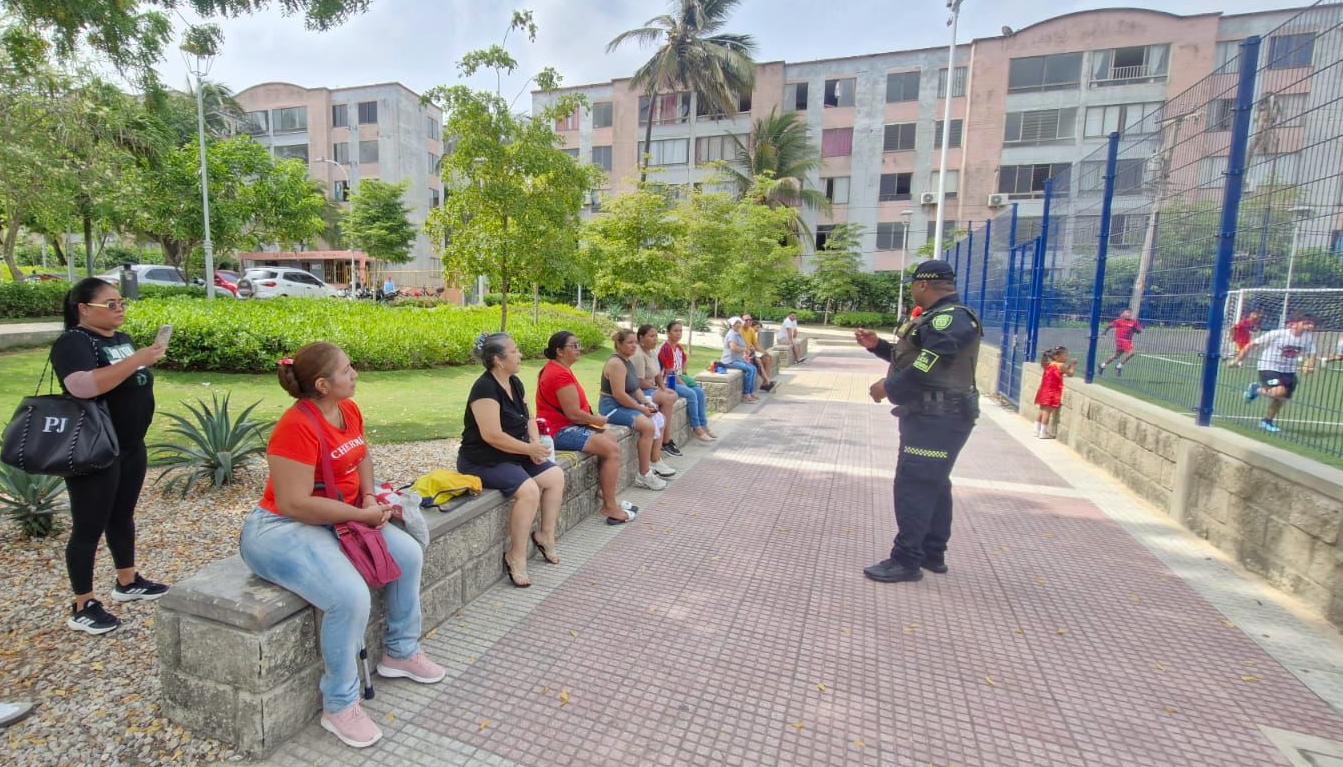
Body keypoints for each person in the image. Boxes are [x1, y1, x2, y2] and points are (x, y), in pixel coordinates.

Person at [240, 342, 445, 749]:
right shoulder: (295, 428)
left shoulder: (348, 409)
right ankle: (339, 704)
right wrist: (360, 516)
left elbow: (361, 456)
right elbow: (294, 503)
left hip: (342, 513)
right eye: (347, 369)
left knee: (407, 554)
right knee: (348, 596)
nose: (355, 374)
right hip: (282, 527)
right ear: (322, 384)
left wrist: (368, 498)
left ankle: (400, 652)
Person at [51, 278, 169, 635]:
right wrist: (137, 360)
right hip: (94, 447)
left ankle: (127, 580)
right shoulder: (74, 342)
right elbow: (82, 386)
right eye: (111, 304)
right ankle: (82, 603)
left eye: (121, 303)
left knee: (122, 515)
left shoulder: (120, 339)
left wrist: (141, 360)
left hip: (130, 444)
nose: (120, 309)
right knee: (88, 526)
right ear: (84, 309)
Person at [855, 260, 982, 584]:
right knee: (934, 483)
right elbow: (915, 357)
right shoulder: (940, 318)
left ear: (923, 284)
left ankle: (906, 560)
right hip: (935, 416)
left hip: (938, 419)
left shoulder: (949, 320)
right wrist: (878, 347)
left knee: (914, 485)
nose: (912, 290)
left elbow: (928, 366)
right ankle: (931, 552)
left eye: (912, 285)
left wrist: (887, 388)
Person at [457, 333, 564, 588]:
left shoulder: (514, 382)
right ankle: (516, 556)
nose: (520, 355)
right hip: (483, 459)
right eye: (514, 351)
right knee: (529, 491)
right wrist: (528, 449)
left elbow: (529, 418)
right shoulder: (485, 388)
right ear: (498, 360)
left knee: (555, 476)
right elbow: (491, 435)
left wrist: (535, 444)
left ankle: (545, 535)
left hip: (515, 453)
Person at [536, 332, 639, 523]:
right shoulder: (559, 375)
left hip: (567, 426)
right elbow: (573, 414)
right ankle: (609, 506)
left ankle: (606, 494)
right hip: (559, 431)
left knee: (610, 438)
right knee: (611, 449)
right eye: (574, 346)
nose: (579, 349)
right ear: (559, 351)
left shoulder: (559, 369)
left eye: (579, 344)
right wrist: (596, 419)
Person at [602, 329, 677, 489]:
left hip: (624, 404)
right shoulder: (616, 363)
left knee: (659, 418)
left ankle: (655, 461)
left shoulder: (627, 361)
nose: (634, 346)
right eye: (630, 342)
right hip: (612, 408)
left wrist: (646, 403)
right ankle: (644, 474)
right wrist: (641, 409)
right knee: (647, 426)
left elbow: (635, 388)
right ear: (619, 344)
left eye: (635, 343)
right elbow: (619, 395)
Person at [1234, 314, 1318, 433]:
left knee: (1282, 397)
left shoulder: (1308, 338)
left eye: (1311, 324)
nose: (1309, 326)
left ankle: (1267, 421)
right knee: (1279, 392)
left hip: (1289, 370)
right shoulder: (1278, 334)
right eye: (1305, 323)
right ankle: (1256, 389)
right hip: (1269, 366)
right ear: (1293, 324)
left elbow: (1312, 354)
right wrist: (1238, 360)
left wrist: (1309, 365)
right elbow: (1253, 343)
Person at [658, 321, 715, 442]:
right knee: (691, 393)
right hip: (666, 382)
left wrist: (684, 374)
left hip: (676, 379)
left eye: (680, 331)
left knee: (699, 392)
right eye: (675, 331)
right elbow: (669, 372)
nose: (678, 333)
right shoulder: (665, 349)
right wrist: (683, 384)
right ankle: (696, 428)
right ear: (668, 333)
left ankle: (704, 425)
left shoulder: (678, 347)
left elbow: (684, 361)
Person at [635, 324, 685, 456]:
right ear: (641, 338)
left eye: (656, 336)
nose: (655, 339)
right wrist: (656, 388)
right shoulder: (639, 355)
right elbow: (639, 382)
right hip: (641, 391)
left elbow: (657, 374)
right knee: (668, 398)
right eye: (651, 336)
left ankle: (665, 441)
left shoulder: (652, 352)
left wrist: (663, 388)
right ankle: (666, 441)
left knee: (671, 394)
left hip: (651, 388)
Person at [1033, 346, 1076, 439]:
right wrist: (1073, 365)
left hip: (1043, 389)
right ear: (1057, 356)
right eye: (1065, 355)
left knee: (1041, 410)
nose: (1067, 357)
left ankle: (1036, 430)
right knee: (1047, 412)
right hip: (1052, 392)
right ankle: (1043, 432)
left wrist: (1067, 367)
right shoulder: (1060, 365)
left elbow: (1060, 373)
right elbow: (1070, 373)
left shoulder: (1049, 364)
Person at [721, 317, 760, 403]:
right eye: (736, 323)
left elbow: (743, 346)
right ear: (732, 325)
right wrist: (744, 349)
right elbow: (733, 348)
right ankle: (745, 395)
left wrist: (747, 351)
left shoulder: (738, 333)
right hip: (730, 361)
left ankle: (750, 393)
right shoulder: (732, 334)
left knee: (754, 368)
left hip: (737, 359)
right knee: (749, 370)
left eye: (739, 323)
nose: (739, 324)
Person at [1098, 309, 1143, 377]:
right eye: (1127, 313)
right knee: (1132, 353)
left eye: (1130, 313)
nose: (1128, 314)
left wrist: (1137, 330)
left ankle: (1102, 365)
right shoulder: (1119, 321)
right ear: (1123, 314)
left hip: (1127, 341)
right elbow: (1109, 326)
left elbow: (1139, 331)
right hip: (1121, 340)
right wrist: (1104, 332)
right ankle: (1119, 365)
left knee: (1116, 356)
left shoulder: (1134, 322)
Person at [740, 314, 775, 391]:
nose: (748, 321)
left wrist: (765, 353)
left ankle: (765, 383)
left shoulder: (751, 330)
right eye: (746, 320)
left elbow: (756, 345)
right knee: (758, 362)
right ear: (741, 321)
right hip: (744, 354)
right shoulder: (740, 330)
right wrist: (750, 349)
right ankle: (767, 382)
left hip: (751, 353)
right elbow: (742, 345)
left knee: (767, 358)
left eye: (750, 320)